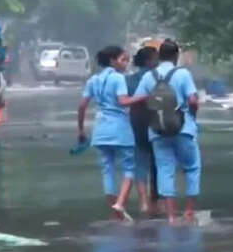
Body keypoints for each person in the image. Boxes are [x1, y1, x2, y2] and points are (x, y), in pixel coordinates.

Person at [133, 39, 202, 225]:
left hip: (157, 131)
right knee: (192, 167)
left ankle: (171, 217)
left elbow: (137, 100)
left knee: (165, 170)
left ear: (159, 56)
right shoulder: (183, 74)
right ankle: (188, 212)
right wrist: (193, 114)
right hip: (183, 129)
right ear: (176, 56)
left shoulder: (149, 76)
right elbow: (193, 101)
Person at [78, 46, 148, 220]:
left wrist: (80, 130)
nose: (126, 63)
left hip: (100, 130)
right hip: (120, 130)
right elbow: (123, 101)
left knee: (107, 169)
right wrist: (143, 96)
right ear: (113, 61)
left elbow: (82, 106)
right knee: (129, 168)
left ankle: (115, 210)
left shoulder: (93, 80)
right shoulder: (118, 78)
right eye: (123, 59)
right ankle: (120, 203)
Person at [123, 46, 160, 215]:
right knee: (158, 162)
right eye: (156, 58)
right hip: (156, 122)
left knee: (140, 162)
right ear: (149, 60)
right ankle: (155, 200)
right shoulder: (158, 77)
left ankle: (143, 201)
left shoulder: (128, 80)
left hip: (137, 122)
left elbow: (124, 101)